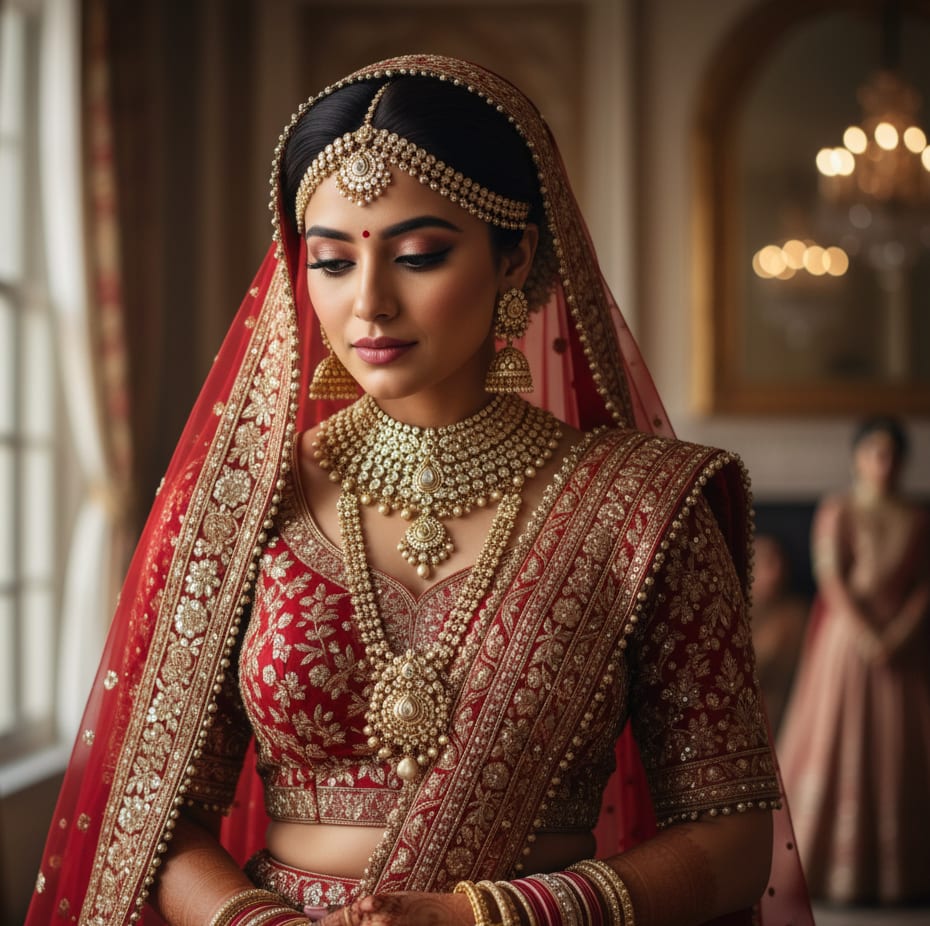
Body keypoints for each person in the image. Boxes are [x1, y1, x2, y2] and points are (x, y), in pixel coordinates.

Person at [26, 55, 812, 926]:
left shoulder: (641, 508)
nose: (369, 304)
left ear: (515, 258)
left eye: (420, 255)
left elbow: (733, 841)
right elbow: (153, 816)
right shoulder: (237, 504)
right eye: (329, 262)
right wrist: (255, 922)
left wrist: (486, 918)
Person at [778, 416, 930, 905]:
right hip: (849, 643)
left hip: (903, 648)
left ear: (903, 461)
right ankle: (830, 875)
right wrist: (867, 633)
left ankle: (897, 878)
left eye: (891, 455)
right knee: (835, 738)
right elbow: (833, 580)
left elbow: (924, 585)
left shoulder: (917, 516)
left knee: (898, 746)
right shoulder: (839, 509)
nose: (882, 463)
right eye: (873, 453)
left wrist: (900, 632)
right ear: (857, 458)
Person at [749, 533, 807, 734]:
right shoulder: (728, 614)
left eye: (779, 560)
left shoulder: (795, 617)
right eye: (767, 562)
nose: (777, 570)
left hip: (787, 722)